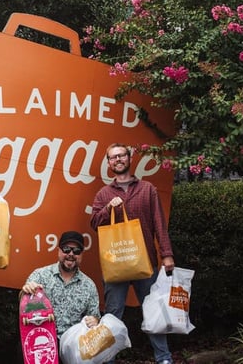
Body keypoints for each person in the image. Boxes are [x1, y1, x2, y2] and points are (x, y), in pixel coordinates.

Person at [89, 143, 175, 364]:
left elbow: (159, 223)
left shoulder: (148, 189)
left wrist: (167, 254)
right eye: (112, 157)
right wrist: (109, 208)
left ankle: (164, 358)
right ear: (109, 164)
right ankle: (107, 359)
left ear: (129, 158)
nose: (117, 160)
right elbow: (94, 223)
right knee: (112, 315)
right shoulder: (103, 194)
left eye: (121, 155)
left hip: (145, 263)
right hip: (115, 264)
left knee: (153, 312)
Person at [21, 230, 100, 336]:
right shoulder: (40, 275)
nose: (71, 254)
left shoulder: (89, 286)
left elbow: (94, 318)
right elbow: (23, 301)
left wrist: (95, 320)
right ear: (58, 251)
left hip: (72, 344)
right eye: (66, 249)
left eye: (76, 251)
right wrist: (27, 290)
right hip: (39, 338)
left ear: (81, 254)